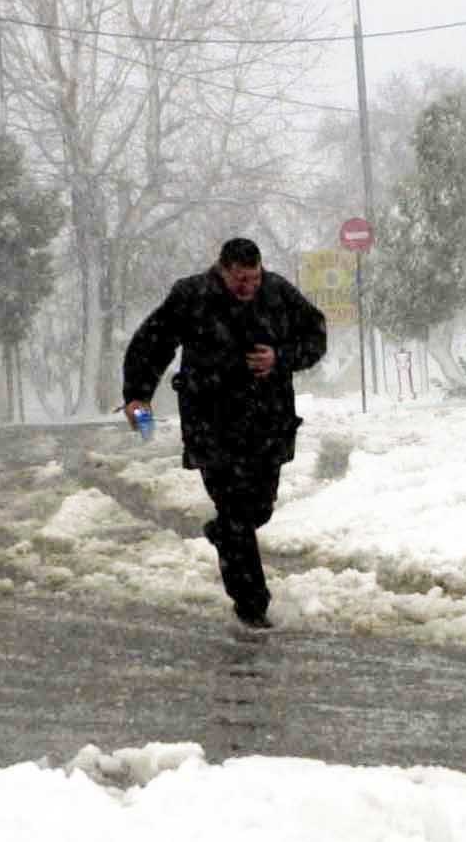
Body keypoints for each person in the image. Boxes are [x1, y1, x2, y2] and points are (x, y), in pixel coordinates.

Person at [122, 237, 327, 629]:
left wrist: (281, 357)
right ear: (221, 269)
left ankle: (225, 535)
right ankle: (252, 606)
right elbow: (153, 342)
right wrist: (137, 395)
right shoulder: (191, 296)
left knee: (258, 508)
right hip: (211, 423)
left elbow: (316, 336)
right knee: (235, 511)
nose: (248, 288)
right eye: (239, 281)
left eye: (254, 278)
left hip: (268, 423)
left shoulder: (278, 292)